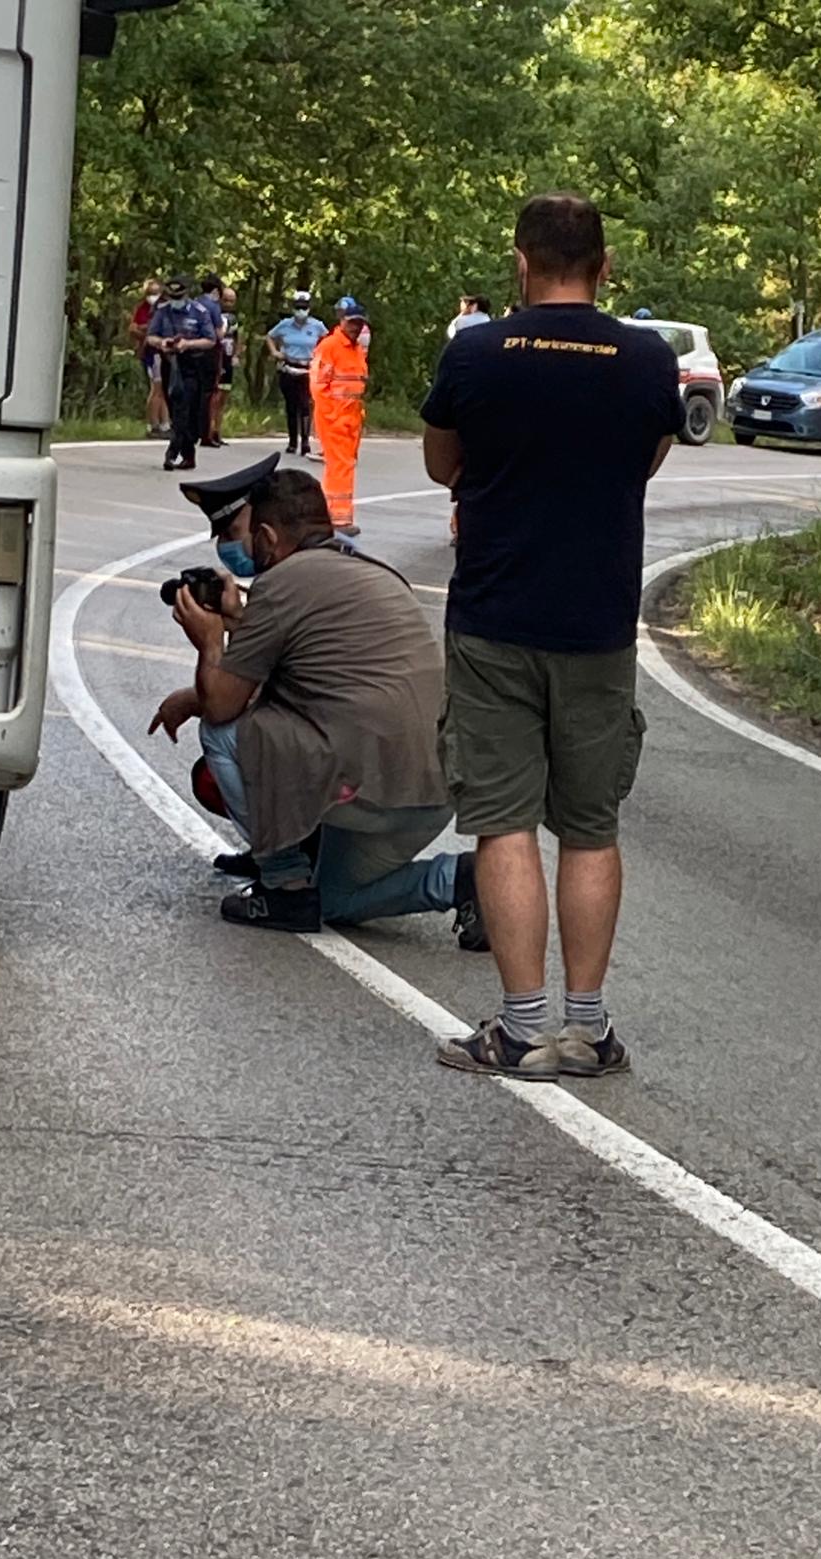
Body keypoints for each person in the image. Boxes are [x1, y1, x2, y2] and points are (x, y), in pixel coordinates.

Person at [421, 191, 684, 1081]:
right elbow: (646, 458)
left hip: (495, 617)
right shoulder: (650, 360)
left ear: (521, 263)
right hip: (599, 625)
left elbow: (440, 462)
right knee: (589, 825)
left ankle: (520, 1025)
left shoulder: (478, 352)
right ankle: (588, 1027)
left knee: (502, 825)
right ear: (604, 268)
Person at [147, 458, 487, 947]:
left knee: (223, 736)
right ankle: (458, 879)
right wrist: (203, 679)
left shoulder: (281, 584)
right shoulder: (370, 569)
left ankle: (282, 881)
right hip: (434, 786)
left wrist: (210, 643)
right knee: (338, 899)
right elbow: (304, 681)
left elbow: (226, 707)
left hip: (368, 785)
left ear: (266, 536)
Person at [146, 273, 218, 472]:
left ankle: (172, 453)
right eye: (172, 297)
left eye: (179, 297)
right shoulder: (163, 311)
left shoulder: (199, 311)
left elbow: (210, 340)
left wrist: (188, 344)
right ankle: (188, 455)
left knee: (184, 409)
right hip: (171, 363)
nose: (175, 301)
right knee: (175, 406)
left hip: (193, 365)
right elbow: (150, 336)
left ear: (186, 295)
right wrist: (163, 343)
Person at [310, 297, 369, 534]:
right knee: (340, 466)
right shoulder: (330, 346)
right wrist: (332, 415)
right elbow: (318, 385)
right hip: (334, 416)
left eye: (359, 323)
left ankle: (334, 514)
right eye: (351, 322)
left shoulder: (356, 349)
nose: (355, 327)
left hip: (351, 417)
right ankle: (339, 519)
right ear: (342, 321)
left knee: (345, 466)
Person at [266, 291, 328, 456]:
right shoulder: (285, 324)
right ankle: (293, 441)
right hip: (288, 368)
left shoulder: (317, 326)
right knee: (291, 405)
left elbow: (328, 341)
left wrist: (322, 357)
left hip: (308, 369)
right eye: (298, 307)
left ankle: (305, 441)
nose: (301, 311)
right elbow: (270, 337)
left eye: (304, 307)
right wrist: (275, 352)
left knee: (305, 405)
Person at [129, 277, 169, 438]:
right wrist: (146, 333)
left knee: (164, 390)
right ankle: (153, 425)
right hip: (152, 354)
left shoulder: (165, 309)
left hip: (164, 353)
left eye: (156, 293)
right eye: (150, 293)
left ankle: (165, 424)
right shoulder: (143, 308)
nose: (153, 296)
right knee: (156, 389)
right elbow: (133, 328)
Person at [196, 273, 226, 449]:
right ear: (216, 290)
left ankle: (193, 430)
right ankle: (206, 434)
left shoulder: (194, 303)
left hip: (192, 351)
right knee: (209, 393)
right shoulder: (213, 306)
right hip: (210, 352)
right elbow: (218, 333)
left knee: (195, 392)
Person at [208, 285, 240, 448]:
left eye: (232, 301)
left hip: (228, 360)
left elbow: (237, 338)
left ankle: (217, 431)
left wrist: (236, 355)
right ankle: (208, 430)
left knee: (224, 398)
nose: (228, 303)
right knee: (214, 397)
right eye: (226, 300)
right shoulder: (214, 315)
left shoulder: (234, 319)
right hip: (216, 360)